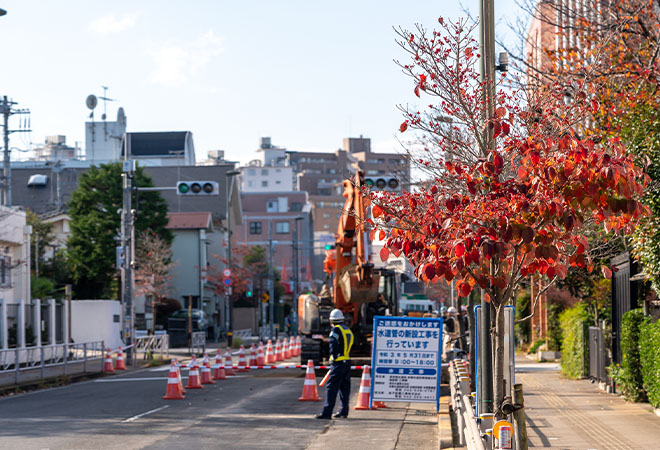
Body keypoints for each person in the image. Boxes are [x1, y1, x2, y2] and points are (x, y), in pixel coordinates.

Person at [316, 309, 354, 419]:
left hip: (338, 363)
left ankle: (327, 413)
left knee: (331, 388)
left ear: (331, 320)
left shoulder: (335, 331)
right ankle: (343, 411)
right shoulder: (348, 330)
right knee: (344, 388)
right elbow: (354, 344)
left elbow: (333, 346)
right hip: (347, 362)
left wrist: (334, 357)